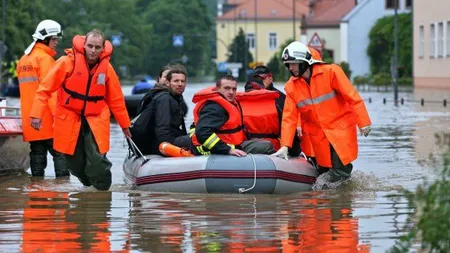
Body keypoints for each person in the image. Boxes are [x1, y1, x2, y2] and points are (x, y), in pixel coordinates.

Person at [29, 29, 131, 190]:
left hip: (96, 118)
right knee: (73, 163)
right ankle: (89, 186)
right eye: (90, 46)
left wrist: (125, 125)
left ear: (103, 48)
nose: (93, 50)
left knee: (97, 160)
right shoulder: (66, 62)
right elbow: (44, 89)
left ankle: (103, 193)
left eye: (97, 47)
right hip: (69, 116)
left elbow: (116, 100)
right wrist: (36, 115)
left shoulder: (107, 68)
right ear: (84, 45)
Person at [272, 41, 371, 182]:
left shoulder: (331, 72)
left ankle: (338, 196)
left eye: (293, 63)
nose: (291, 68)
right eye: (288, 64)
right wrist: (285, 146)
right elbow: (289, 118)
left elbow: (352, 97)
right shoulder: (291, 86)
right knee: (324, 170)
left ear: (304, 61)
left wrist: (364, 123)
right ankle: (332, 195)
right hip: (317, 136)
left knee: (339, 170)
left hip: (340, 130)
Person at [17, 19, 68, 177]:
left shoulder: (23, 60)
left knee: (37, 154)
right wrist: (58, 118)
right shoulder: (45, 59)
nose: (56, 43)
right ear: (45, 39)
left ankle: (36, 192)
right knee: (60, 153)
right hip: (47, 118)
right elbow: (50, 91)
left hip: (30, 119)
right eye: (54, 39)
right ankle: (62, 192)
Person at [190, 75, 275, 157]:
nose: (231, 92)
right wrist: (228, 150)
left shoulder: (226, 103)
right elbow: (203, 132)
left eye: (234, 89)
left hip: (229, 145)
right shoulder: (215, 108)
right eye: (227, 88)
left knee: (260, 142)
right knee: (267, 145)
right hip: (218, 149)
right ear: (217, 89)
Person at [250, 65, 302, 157]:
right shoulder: (247, 97)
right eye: (255, 78)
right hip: (252, 145)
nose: (258, 81)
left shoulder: (280, 98)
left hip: (274, 146)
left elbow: (290, 120)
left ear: (270, 78)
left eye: (261, 78)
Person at [143, 68, 190, 155]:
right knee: (199, 138)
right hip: (162, 145)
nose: (180, 84)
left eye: (182, 81)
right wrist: (171, 150)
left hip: (170, 139)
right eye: (176, 81)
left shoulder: (174, 98)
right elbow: (162, 130)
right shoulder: (165, 99)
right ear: (168, 83)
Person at [239, 78, 281, 150]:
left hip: (249, 149)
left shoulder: (237, 106)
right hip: (273, 149)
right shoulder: (275, 105)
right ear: (263, 89)